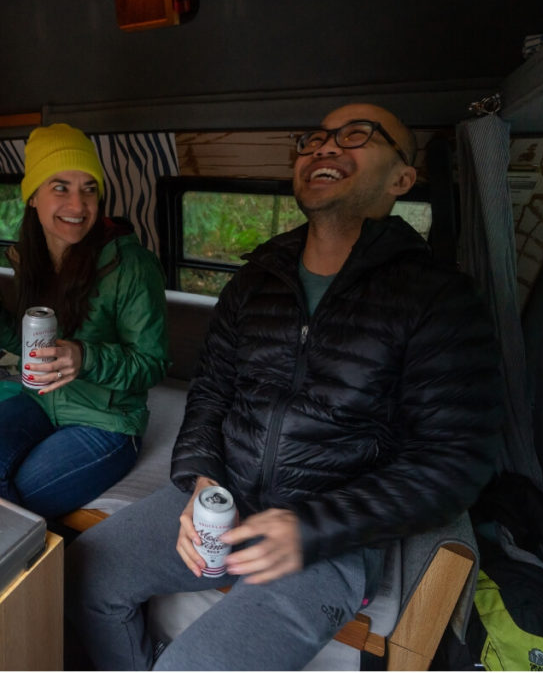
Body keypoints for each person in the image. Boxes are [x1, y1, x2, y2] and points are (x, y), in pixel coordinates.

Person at [66, 103, 504, 670]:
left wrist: (313, 527)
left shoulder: (438, 299)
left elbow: (456, 461)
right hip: (226, 494)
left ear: (401, 178)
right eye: (315, 139)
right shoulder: (257, 278)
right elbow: (210, 391)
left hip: (333, 535)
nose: (324, 147)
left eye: (356, 136)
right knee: (82, 572)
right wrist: (201, 480)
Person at [0, 123, 169, 520]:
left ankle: (22, 575)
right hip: (41, 401)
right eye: (60, 187)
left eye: (89, 188)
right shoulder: (32, 258)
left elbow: (151, 364)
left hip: (108, 422)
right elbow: (32, 350)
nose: (78, 204)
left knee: (21, 497)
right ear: (33, 196)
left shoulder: (131, 265)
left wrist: (85, 357)